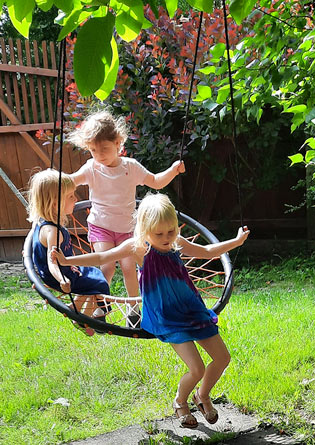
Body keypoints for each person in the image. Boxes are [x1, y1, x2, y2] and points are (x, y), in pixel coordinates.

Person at [51, 193, 250, 428]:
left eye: (171, 231)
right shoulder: (138, 248)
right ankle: (180, 401)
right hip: (167, 317)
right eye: (159, 234)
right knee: (195, 368)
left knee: (222, 358)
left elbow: (206, 251)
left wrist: (236, 242)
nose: (167, 238)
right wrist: (65, 261)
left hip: (192, 309)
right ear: (144, 230)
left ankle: (203, 396)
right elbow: (103, 255)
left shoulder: (176, 243)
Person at [67, 110, 185, 327]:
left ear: (118, 142)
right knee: (107, 267)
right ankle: (100, 308)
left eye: (104, 148)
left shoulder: (130, 168)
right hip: (101, 225)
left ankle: (134, 311)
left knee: (130, 268)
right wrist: (54, 181)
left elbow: (156, 182)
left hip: (128, 229)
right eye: (93, 150)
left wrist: (173, 170)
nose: (99, 155)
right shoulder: (91, 168)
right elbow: (70, 181)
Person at [27, 169, 111, 336]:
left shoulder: (41, 221)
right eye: (71, 196)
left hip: (63, 268)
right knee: (100, 284)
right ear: (54, 203)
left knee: (94, 275)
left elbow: (34, 243)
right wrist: (62, 279)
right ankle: (86, 317)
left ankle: (77, 310)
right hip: (59, 274)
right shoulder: (53, 232)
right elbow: (52, 262)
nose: (76, 199)